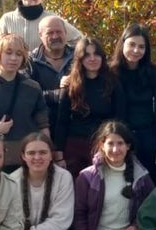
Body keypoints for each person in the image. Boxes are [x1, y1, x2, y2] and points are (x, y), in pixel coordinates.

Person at [73, 120, 155, 230]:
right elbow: (79, 215)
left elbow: (153, 205)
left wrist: (137, 225)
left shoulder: (140, 175)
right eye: (110, 143)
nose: (115, 149)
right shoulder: (87, 177)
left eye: (120, 144)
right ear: (102, 145)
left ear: (128, 146)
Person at [7, 132, 75, 230]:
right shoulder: (12, 182)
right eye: (31, 153)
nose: (37, 157)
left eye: (43, 152)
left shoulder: (63, 177)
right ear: (23, 156)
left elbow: (61, 219)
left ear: (51, 155)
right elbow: (12, 226)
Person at [0, 33, 50, 170]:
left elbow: (43, 126)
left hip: (28, 159)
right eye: (8, 52)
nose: (14, 58)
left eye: (19, 54)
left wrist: (47, 152)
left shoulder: (33, 87)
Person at [52, 36, 124, 175]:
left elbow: (119, 118)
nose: (92, 58)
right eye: (87, 55)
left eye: (96, 54)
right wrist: (59, 154)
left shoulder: (113, 83)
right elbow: (62, 121)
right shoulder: (70, 85)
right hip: (74, 146)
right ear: (80, 59)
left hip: (103, 146)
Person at [110, 23, 156, 183]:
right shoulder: (111, 73)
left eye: (141, 47)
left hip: (148, 137)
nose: (136, 50)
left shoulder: (153, 73)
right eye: (132, 45)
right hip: (120, 138)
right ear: (123, 44)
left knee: (149, 184)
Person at [0, 0, 73, 51]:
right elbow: (0, 48)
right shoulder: (7, 19)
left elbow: (77, 38)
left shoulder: (51, 18)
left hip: (42, 64)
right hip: (14, 63)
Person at [29, 15, 76, 116]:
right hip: (43, 123)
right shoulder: (30, 61)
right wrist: (59, 94)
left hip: (76, 121)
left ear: (65, 33)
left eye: (59, 32)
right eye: (50, 33)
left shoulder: (78, 56)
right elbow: (28, 95)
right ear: (40, 35)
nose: (55, 36)